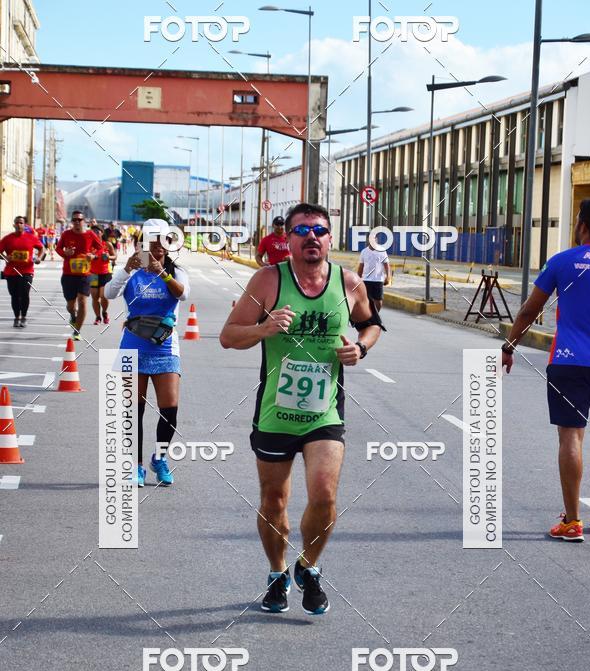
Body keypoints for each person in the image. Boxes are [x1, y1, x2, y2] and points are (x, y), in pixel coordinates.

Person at [220, 202, 383, 616]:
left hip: (324, 413)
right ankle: (277, 573)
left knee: (325, 496)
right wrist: (264, 328)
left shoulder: (349, 283)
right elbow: (228, 336)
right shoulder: (267, 280)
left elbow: (372, 323)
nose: (312, 236)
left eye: (320, 230)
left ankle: (309, 567)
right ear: (288, 239)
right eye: (302, 230)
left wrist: (360, 347)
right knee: (274, 500)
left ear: (330, 238)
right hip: (276, 412)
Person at [502, 197, 590, 542]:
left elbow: (530, 310)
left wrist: (509, 346)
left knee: (571, 436)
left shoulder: (562, 261)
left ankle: (572, 521)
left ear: (583, 225)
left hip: (569, 361)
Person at [104, 219, 190, 487]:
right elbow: (108, 293)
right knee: (133, 411)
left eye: (163, 240)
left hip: (165, 348)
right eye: (151, 240)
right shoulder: (132, 271)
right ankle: (136, 466)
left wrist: (163, 273)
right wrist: (126, 269)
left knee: (170, 410)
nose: (157, 246)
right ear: (142, 243)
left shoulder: (176, 271)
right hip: (133, 346)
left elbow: (183, 295)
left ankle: (160, 458)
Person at [55, 211, 103, 340]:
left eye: (79, 220)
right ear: (72, 222)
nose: (77, 222)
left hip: (85, 274)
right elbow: (58, 249)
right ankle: (72, 315)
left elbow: (100, 248)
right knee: (71, 305)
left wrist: (93, 255)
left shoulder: (90, 234)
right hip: (68, 275)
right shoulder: (66, 234)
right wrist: (66, 253)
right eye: (74, 220)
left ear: (84, 221)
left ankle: (77, 331)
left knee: (82, 301)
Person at [0, 215, 45, 327]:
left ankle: (23, 316)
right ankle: (17, 317)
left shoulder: (31, 237)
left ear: (25, 225)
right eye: (17, 223)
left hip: (27, 271)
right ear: (14, 224)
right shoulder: (7, 238)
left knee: (24, 294)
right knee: (14, 295)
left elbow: (41, 248)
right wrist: (6, 258)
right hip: (12, 271)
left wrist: (39, 258)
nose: (19, 225)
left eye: (21, 223)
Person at [90, 225, 117, 324]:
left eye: (97, 231)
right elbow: (84, 256)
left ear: (102, 233)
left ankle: (104, 312)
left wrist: (109, 257)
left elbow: (115, 256)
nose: (95, 233)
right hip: (93, 274)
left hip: (105, 273)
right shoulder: (89, 245)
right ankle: (98, 317)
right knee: (95, 297)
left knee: (103, 296)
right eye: (93, 232)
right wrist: (90, 257)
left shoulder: (107, 244)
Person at [357, 233, 391, 313]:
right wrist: (357, 279)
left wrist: (388, 277)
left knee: (378, 301)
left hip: (378, 280)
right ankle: (368, 315)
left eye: (374, 239)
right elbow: (361, 267)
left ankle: (376, 314)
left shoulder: (382, 251)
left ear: (376, 240)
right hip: (366, 280)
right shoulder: (364, 252)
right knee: (366, 300)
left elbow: (387, 265)